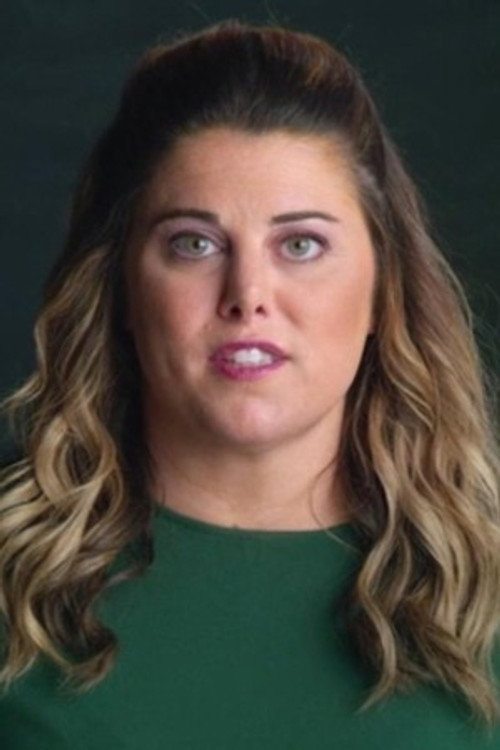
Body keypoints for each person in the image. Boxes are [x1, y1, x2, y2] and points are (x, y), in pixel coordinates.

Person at [0, 19, 499, 750]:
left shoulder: (484, 591)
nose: (248, 295)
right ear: (122, 288)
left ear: (382, 290)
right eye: (194, 243)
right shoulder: (12, 582)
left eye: (301, 244)